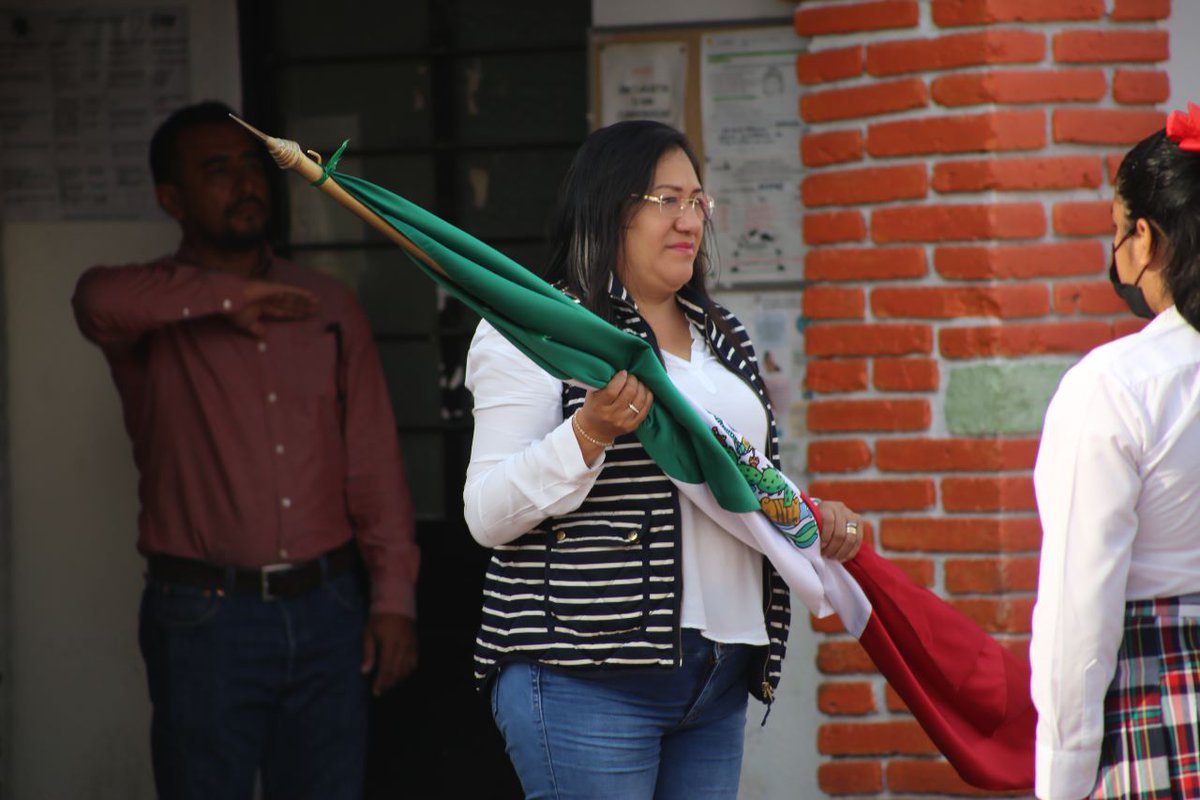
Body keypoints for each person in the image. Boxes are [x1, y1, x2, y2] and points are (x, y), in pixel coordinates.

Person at [462, 119, 863, 799]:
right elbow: (486, 514)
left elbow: (740, 480)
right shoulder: (532, 331)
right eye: (665, 200)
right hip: (585, 674)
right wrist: (587, 433)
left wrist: (812, 515)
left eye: (697, 201)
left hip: (718, 676)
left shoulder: (722, 333)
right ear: (608, 206)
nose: (690, 221)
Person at [71, 101, 419, 800]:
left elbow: (373, 464)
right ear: (172, 199)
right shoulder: (151, 311)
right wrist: (227, 298)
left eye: (253, 163)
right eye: (217, 169)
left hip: (329, 613)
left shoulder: (327, 305)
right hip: (204, 617)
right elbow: (92, 298)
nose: (245, 182)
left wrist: (394, 600)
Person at [1030, 109, 1200, 800]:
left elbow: (1079, 613)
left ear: (1147, 239)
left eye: (1116, 227)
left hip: (1158, 699)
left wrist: (1061, 776)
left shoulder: (1116, 384)